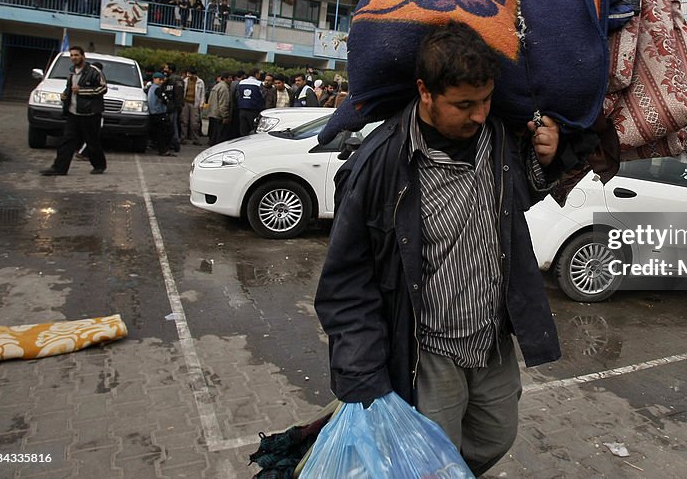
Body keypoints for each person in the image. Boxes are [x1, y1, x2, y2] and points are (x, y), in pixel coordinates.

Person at [315, 23, 562, 476]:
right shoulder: (380, 164)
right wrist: (363, 377)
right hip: (427, 350)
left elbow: (521, 196)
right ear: (425, 92)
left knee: (495, 437)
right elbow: (346, 282)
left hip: (491, 342)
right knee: (431, 463)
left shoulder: (501, 140)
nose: (478, 115)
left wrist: (548, 157)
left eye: (486, 100)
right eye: (464, 105)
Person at [40, 46, 107, 175]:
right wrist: (65, 95)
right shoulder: (71, 72)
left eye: (76, 55)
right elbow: (70, 88)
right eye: (71, 55)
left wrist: (82, 91)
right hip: (73, 113)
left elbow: (102, 89)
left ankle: (99, 165)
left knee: (92, 141)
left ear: (83, 56)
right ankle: (59, 168)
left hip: (90, 114)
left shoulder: (94, 71)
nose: (74, 58)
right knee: (67, 141)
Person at [147, 72, 175, 156]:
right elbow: (164, 99)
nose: (161, 81)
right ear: (154, 79)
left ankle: (158, 147)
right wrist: (170, 106)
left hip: (152, 114)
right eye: (160, 79)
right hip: (159, 113)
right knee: (165, 132)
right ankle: (163, 150)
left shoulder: (150, 88)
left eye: (162, 80)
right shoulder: (157, 89)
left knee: (158, 133)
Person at [205, 72, 233, 146]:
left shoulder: (216, 86)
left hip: (213, 113)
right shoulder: (224, 88)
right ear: (225, 78)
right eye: (229, 78)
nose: (231, 80)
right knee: (219, 137)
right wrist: (225, 116)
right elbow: (224, 103)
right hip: (219, 115)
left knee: (213, 135)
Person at [179, 68, 205, 145]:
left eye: (190, 74)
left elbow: (202, 93)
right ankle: (183, 138)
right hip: (185, 102)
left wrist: (201, 103)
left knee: (194, 123)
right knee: (184, 121)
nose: (188, 75)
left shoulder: (200, 82)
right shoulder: (185, 81)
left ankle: (196, 139)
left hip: (195, 103)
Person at [236, 69, 264, 136]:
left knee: (243, 129)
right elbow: (263, 95)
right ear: (256, 74)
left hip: (242, 109)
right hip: (254, 109)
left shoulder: (241, 82)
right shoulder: (259, 83)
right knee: (253, 129)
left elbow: (238, 95)